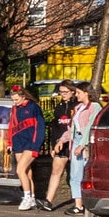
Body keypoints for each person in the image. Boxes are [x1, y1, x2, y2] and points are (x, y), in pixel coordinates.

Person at [66, 82, 103, 217]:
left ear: (86, 93)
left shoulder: (95, 107)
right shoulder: (78, 108)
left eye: (78, 93)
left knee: (87, 173)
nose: (76, 95)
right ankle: (78, 205)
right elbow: (72, 128)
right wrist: (62, 140)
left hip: (86, 142)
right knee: (75, 174)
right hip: (76, 139)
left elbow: (90, 127)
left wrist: (82, 144)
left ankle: (89, 204)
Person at [7, 84, 45, 210]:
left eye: (16, 99)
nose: (15, 102)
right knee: (27, 172)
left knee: (20, 170)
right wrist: (10, 143)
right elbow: (12, 126)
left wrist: (36, 145)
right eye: (13, 100)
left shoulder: (33, 107)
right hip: (18, 143)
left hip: (30, 143)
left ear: (23, 96)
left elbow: (40, 127)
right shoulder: (15, 109)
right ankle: (32, 198)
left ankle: (27, 197)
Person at [43, 79, 77, 209]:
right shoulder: (59, 107)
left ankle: (79, 203)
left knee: (76, 174)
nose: (63, 94)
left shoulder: (77, 106)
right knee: (56, 170)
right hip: (60, 144)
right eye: (61, 92)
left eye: (65, 92)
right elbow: (55, 127)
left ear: (72, 92)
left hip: (74, 143)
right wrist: (54, 145)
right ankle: (48, 200)